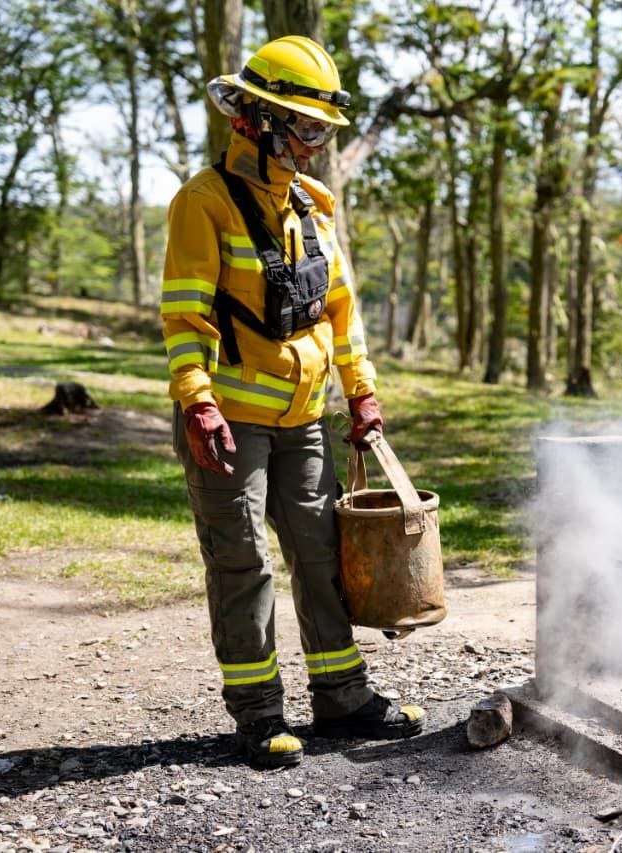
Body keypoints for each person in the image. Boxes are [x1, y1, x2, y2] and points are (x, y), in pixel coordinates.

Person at [159, 35, 424, 768]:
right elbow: (185, 320)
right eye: (304, 129)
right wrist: (198, 403)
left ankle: (342, 699)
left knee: (321, 558)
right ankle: (258, 714)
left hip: (304, 421)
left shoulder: (314, 206)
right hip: (229, 425)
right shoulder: (201, 204)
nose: (313, 146)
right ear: (256, 119)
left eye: (322, 132)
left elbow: (342, 312)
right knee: (242, 561)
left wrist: (362, 391)